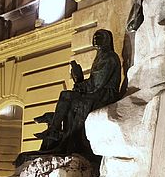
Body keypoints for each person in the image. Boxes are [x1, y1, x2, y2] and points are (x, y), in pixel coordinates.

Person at [31, 29, 122, 158]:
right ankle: (57, 133)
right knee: (69, 98)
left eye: (100, 37)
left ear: (107, 40)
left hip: (105, 95)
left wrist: (79, 84)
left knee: (67, 96)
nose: (96, 39)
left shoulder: (110, 57)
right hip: (97, 92)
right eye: (95, 36)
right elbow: (94, 83)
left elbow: (97, 83)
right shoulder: (101, 56)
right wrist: (79, 81)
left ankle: (55, 131)